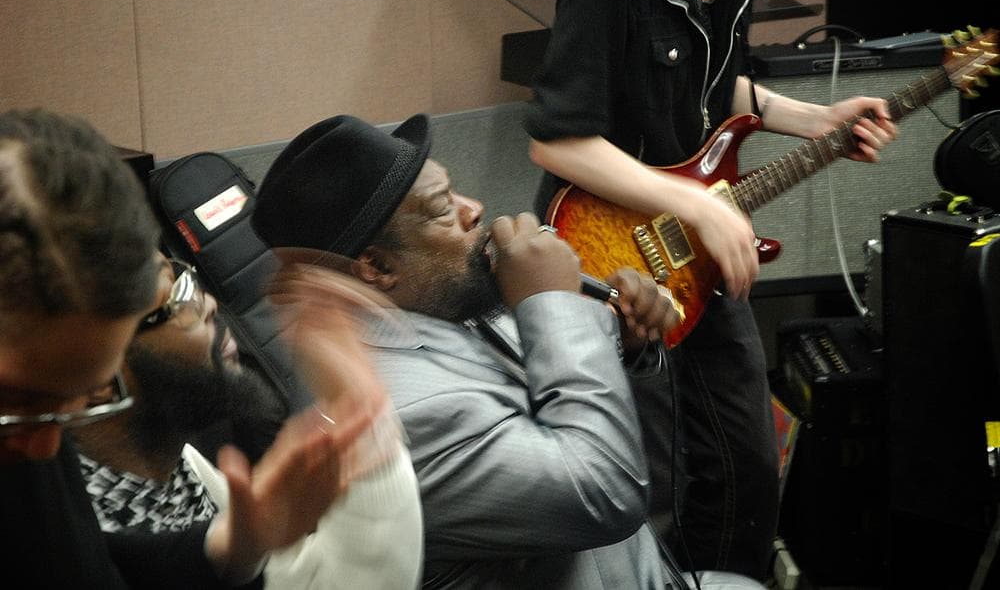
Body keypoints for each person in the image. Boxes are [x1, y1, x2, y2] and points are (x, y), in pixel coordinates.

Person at [523, 0, 899, 581]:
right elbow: (557, 141)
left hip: (695, 247)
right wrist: (695, 204)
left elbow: (714, 87)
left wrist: (818, 119)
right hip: (607, 250)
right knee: (650, 488)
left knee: (747, 467)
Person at [251, 112, 764, 589]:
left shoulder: (439, 306)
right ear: (378, 267)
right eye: (442, 209)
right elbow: (604, 491)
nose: (474, 210)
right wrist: (553, 305)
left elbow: (563, 400)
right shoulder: (398, 417)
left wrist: (623, 341)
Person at [0, 107, 366, 588]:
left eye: (87, 393)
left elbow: (83, 562)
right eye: (22, 404)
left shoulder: (31, 422)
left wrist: (231, 545)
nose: (52, 444)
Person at [75, 253, 424, 589]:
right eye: (179, 297)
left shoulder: (172, 463)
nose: (209, 302)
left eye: (182, 275)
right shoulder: (82, 548)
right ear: (100, 382)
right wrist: (364, 414)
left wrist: (355, 405)